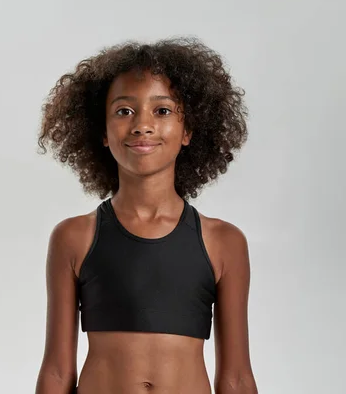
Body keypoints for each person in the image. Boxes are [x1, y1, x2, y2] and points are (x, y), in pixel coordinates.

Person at [34, 37, 258, 394]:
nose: (142, 125)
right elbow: (57, 373)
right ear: (102, 133)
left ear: (188, 131)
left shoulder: (223, 243)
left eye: (162, 111)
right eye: (124, 111)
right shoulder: (75, 238)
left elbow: (236, 378)